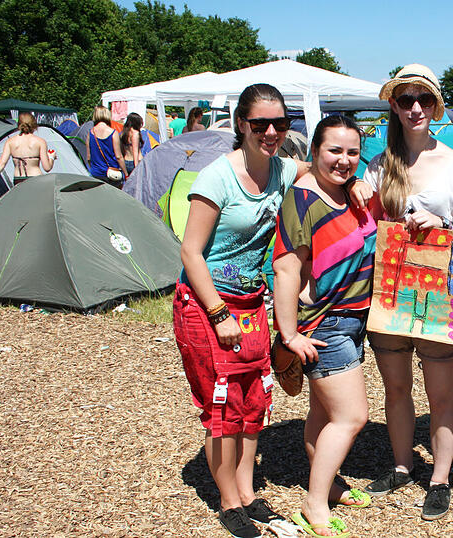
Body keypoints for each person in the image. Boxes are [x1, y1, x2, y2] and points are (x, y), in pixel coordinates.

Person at [174, 83, 307, 538]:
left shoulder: (282, 169)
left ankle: (249, 494)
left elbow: (322, 168)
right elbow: (191, 252)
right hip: (207, 303)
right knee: (223, 406)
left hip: (250, 302)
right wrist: (218, 313)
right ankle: (229, 502)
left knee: (254, 402)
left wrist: (358, 178)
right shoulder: (217, 178)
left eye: (280, 123)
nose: (271, 132)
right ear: (240, 124)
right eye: (260, 124)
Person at [349, 64, 453, 522]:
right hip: (390, 291)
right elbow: (363, 222)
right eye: (406, 100)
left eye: (423, 99)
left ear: (436, 106)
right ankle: (403, 465)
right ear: (395, 106)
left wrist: (442, 223)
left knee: (441, 394)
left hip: (438, 292)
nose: (415, 108)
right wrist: (356, 185)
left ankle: (440, 479)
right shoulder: (380, 165)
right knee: (397, 387)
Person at [271, 115, 376, 537]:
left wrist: (356, 183)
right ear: (315, 150)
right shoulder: (301, 200)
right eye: (334, 150)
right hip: (325, 324)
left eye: (353, 152)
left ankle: (328, 484)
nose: (344, 160)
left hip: (352, 319)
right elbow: (286, 270)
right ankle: (313, 504)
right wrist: (290, 334)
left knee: (323, 411)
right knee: (352, 416)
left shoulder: (347, 192)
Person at [0, 112, 54, 195]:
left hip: (18, 179)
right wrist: (51, 157)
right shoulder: (40, 141)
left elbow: (1, 163)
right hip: (36, 178)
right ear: (34, 125)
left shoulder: (10, 141)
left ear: (19, 124)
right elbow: (47, 167)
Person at [86, 105, 128, 188]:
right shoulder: (113, 133)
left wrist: (94, 168)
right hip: (112, 174)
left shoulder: (90, 133)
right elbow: (118, 156)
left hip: (96, 174)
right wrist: (126, 173)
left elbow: (88, 157)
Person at [120, 112, 144, 176]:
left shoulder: (124, 133)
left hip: (126, 160)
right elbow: (135, 151)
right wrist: (136, 167)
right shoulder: (135, 133)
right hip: (134, 161)